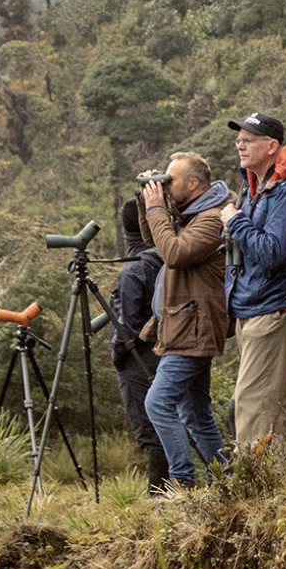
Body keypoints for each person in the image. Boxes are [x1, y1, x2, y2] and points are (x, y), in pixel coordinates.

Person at [222, 112, 286, 452]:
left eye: (248, 139)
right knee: (279, 409)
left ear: (272, 146)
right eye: (239, 139)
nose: (240, 145)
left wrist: (236, 222)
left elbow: (272, 252)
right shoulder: (256, 187)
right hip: (253, 306)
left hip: (275, 308)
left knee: (250, 409)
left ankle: (250, 496)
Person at [138, 152, 233, 489]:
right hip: (184, 325)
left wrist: (156, 209)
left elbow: (174, 254)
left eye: (171, 180)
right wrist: (147, 203)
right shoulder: (190, 214)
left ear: (194, 184)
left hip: (193, 328)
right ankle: (229, 480)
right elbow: (155, 241)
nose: (166, 185)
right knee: (196, 412)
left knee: (158, 404)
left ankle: (182, 482)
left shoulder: (211, 219)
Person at [110, 197, 169, 494]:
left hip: (137, 360)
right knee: (168, 423)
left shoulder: (133, 271)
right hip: (166, 352)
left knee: (151, 434)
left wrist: (118, 356)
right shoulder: (167, 258)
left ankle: (159, 497)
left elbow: (125, 327)